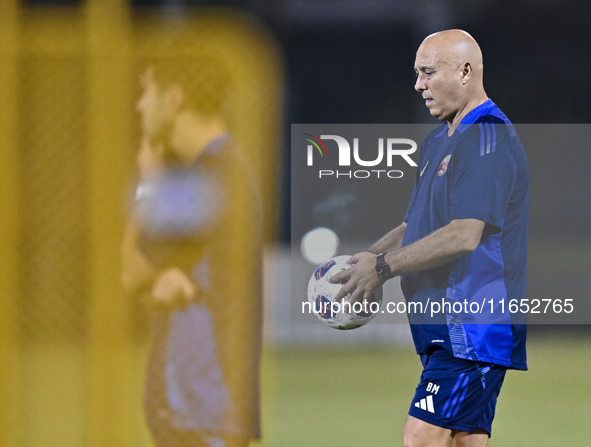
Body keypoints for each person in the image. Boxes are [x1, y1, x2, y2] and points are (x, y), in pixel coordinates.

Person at [330, 29, 529, 447]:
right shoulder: (438, 140)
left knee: (419, 438)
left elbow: (463, 235)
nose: (418, 85)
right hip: (441, 328)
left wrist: (382, 269)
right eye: (417, 74)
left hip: (472, 327)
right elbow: (415, 224)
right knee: (463, 441)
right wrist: (365, 261)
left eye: (428, 72)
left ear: (465, 71)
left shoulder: (486, 138)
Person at [122, 60, 262, 447]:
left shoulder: (203, 178)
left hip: (201, 406)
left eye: (146, 92)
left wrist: (149, 182)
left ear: (174, 98)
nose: (139, 106)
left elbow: (132, 271)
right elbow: (157, 281)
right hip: (203, 404)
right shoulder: (219, 169)